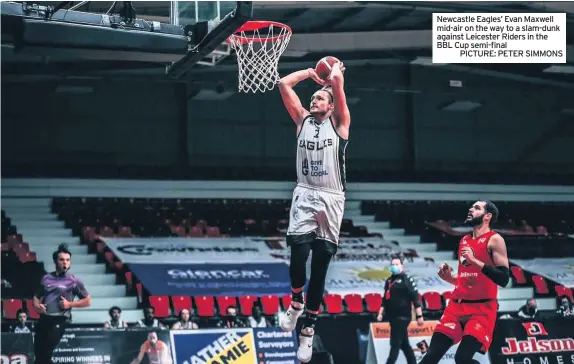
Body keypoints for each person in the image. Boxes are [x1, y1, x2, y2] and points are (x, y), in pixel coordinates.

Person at [277, 60, 350, 363]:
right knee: (298, 254)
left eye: (320, 97)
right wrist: (309, 73)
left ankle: (308, 328)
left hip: (332, 198)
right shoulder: (302, 121)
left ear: (331, 106)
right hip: (305, 193)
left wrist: (335, 79)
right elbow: (283, 85)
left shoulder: (341, 123)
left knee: (320, 266)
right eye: (313, 97)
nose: (314, 99)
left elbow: (339, 93)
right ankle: (296, 303)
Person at [419, 201, 510, 364]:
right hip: (456, 306)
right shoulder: (465, 240)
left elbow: (503, 278)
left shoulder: (495, 240)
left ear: (487, 216)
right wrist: (449, 279)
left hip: (481, 310)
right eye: (471, 207)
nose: (470, 209)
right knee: (431, 356)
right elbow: (467, 278)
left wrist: (475, 261)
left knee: (462, 359)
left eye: (476, 208)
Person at [33, 243, 91, 364]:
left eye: (68, 260)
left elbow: (87, 301)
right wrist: (37, 306)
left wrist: (70, 305)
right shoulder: (46, 278)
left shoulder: (74, 281)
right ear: (55, 261)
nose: (65, 262)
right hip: (44, 319)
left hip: (59, 320)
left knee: (47, 349)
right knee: (38, 353)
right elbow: (36, 296)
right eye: (62, 260)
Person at [377, 256, 424, 364]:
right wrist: (380, 313)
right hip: (392, 316)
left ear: (402, 266)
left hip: (403, 316)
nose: (394, 266)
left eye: (397, 264)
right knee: (404, 344)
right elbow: (385, 299)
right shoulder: (389, 281)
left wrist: (419, 316)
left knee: (395, 343)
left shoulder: (407, 280)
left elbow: (415, 298)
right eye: (392, 264)